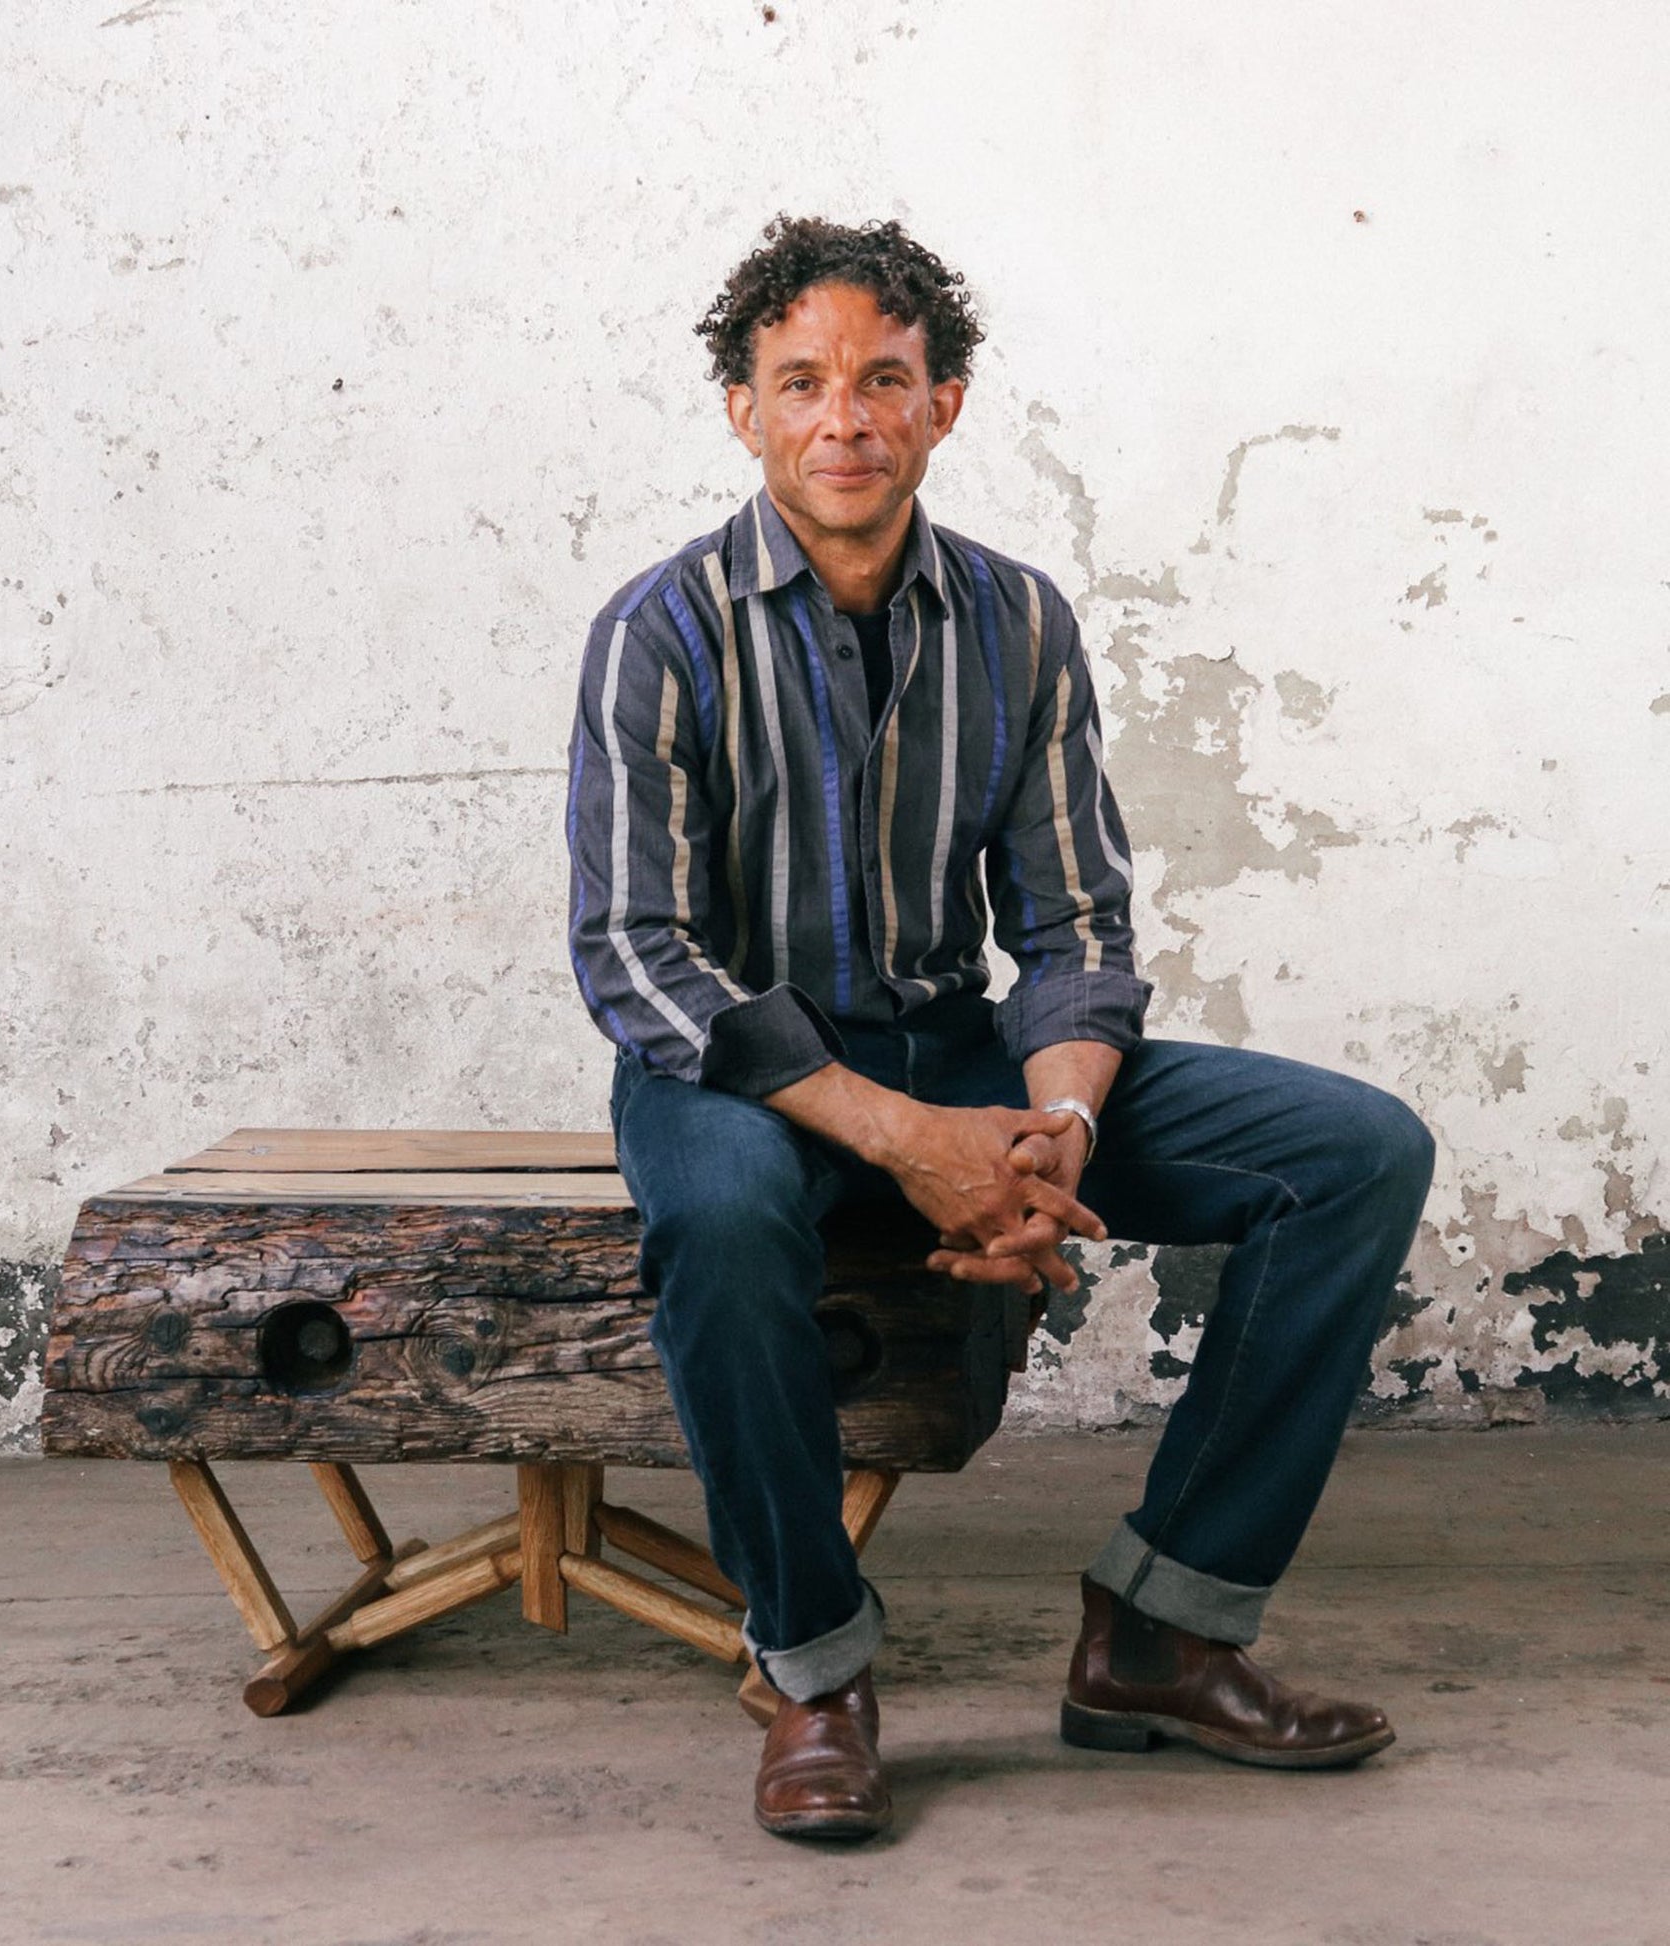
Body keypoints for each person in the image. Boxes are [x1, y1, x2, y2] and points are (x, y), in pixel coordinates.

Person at [564, 214, 1435, 1842]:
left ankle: (1161, 1628)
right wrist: (911, 1145)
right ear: (741, 411)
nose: (846, 420)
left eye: (883, 380)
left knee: (1355, 1151)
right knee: (723, 1213)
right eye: (802, 383)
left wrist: (1053, 1140)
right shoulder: (658, 631)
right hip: (738, 1076)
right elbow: (639, 957)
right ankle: (812, 1670)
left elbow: (1073, 923)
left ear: (943, 404)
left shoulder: (1018, 622)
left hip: (958, 1051)